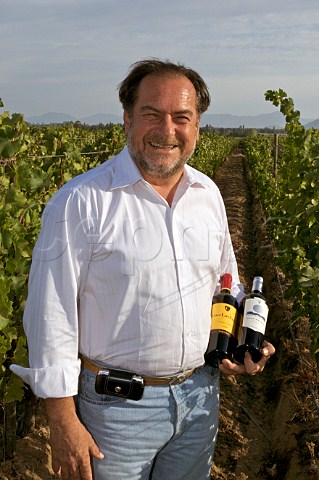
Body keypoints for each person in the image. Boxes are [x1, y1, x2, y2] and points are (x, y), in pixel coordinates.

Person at [11, 59, 275, 480]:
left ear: (197, 127)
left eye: (181, 117)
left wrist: (245, 339)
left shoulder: (208, 195)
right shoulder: (80, 202)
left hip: (200, 400)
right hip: (114, 415)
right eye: (152, 114)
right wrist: (63, 423)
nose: (167, 130)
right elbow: (50, 317)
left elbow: (228, 285)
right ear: (127, 119)